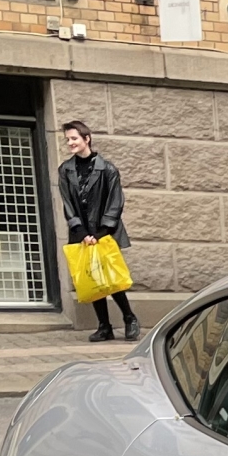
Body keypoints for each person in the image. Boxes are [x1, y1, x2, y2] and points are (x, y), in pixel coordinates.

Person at [57, 120, 137, 342]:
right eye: (68, 140)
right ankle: (104, 326)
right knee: (92, 279)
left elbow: (116, 202)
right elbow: (67, 203)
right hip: (81, 232)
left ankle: (130, 318)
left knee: (111, 277)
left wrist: (101, 232)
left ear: (86, 138)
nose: (70, 143)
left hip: (104, 232)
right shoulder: (65, 169)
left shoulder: (108, 169)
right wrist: (82, 232)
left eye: (74, 138)